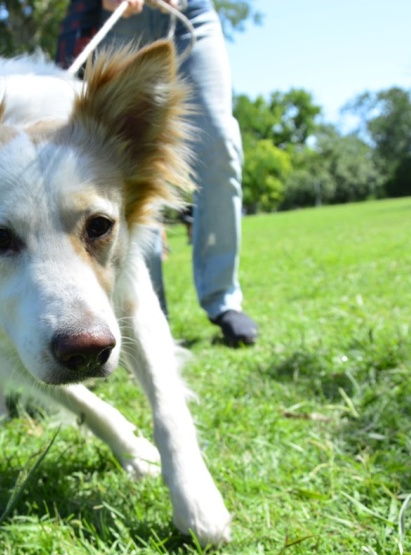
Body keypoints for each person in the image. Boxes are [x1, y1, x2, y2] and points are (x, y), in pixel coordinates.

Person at [57, 0, 259, 347]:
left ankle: (223, 300)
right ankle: (146, 317)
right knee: (128, 165)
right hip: (110, 15)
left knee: (219, 139)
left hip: (189, 12)